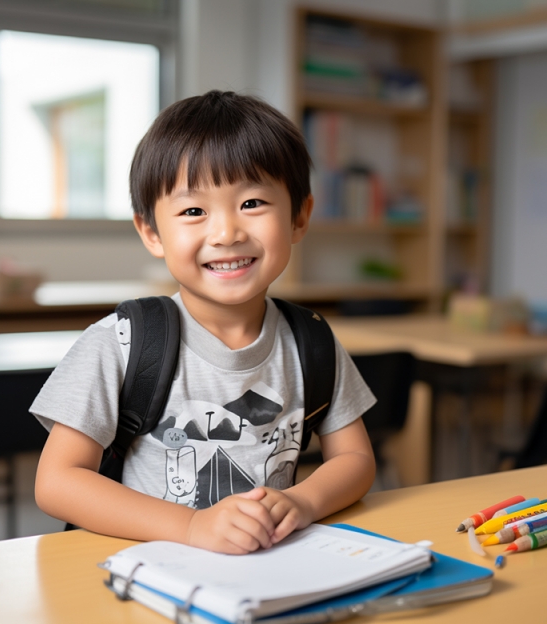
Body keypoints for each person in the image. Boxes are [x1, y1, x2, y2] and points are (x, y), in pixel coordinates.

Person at [32, 90, 376, 555]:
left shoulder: (311, 340)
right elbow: (57, 483)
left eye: (252, 203)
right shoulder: (122, 343)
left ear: (299, 217)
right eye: (194, 211)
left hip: (266, 571)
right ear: (152, 232)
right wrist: (193, 526)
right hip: (151, 571)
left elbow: (355, 458)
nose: (227, 232)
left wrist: (302, 501)